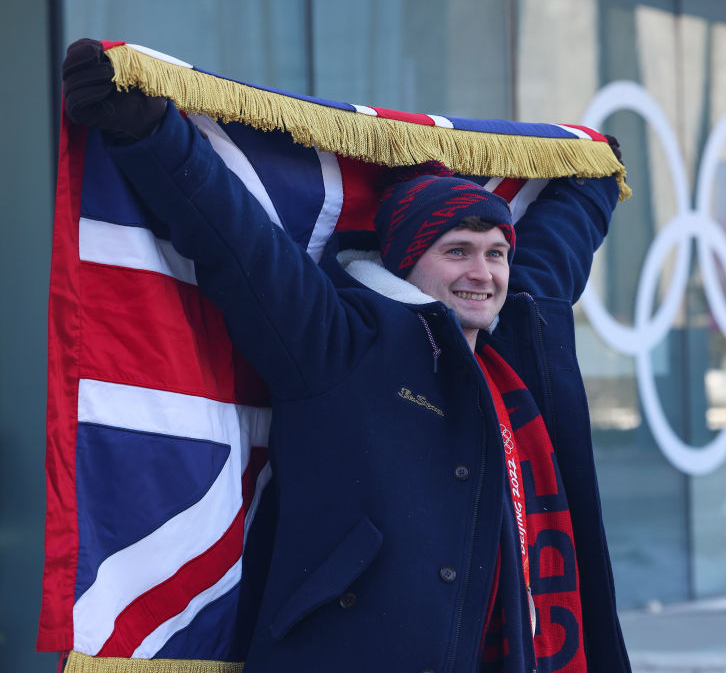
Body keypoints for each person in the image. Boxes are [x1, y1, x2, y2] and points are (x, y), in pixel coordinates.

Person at [62, 38, 630, 672]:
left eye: (496, 252)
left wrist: (598, 167)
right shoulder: (344, 338)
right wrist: (149, 131)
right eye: (457, 251)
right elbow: (239, 243)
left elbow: (568, 229)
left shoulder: (516, 335)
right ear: (407, 260)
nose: (483, 271)